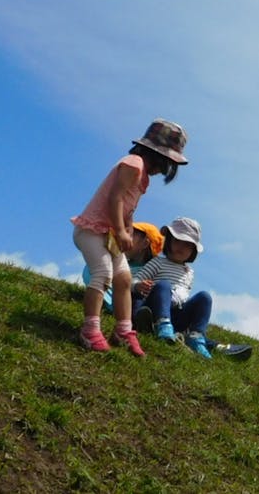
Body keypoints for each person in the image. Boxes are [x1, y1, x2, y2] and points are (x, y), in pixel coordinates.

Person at [71, 119, 189, 357]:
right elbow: (114, 198)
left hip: (109, 234)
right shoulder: (134, 164)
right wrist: (123, 231)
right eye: (165, 163)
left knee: (124, 278)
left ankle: (123, 331)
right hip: (93, 231)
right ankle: (90, 329)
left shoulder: (142, 176)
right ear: (155, 154)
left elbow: (127, 208)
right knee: (103, 274)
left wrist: (125, 228)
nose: (162, 170)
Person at [130, 217, 216, 358]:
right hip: (155, 308)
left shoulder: (189, 272)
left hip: (176, 315)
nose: (181, 247)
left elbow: (184, 296)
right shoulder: (158, 262)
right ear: (168, 241)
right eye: (177, 241)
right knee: (164, 285)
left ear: (193, 251)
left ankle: (196, 336)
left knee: (204, 297)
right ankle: (161, 325)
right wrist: (137, 285)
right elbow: (135, 279)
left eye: (187, 245)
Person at [82, 222, 164, 314]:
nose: (123, 238)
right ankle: (107, 302)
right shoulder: (120, 264)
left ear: (145, 243)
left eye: (130, 235)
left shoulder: (154, 269)